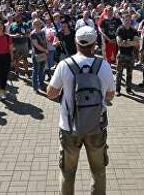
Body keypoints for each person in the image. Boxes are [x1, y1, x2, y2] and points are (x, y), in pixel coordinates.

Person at [46, 26, 115, 195]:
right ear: (94, 45)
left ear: (76, 43)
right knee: (98, 172)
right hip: (96, 126)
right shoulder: (103, 65)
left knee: (68, 173)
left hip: (70, 127)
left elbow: (50, 93)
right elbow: (110, 95)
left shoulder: (65, 65)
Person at [115, 12, 140, 95]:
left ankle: (128, 89)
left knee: (129, 73)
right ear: (123, 20)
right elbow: (119, 43)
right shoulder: (120, 29)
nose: (127, 22)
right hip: (121, 54)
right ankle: (117, 90)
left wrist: (125, 42)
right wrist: (130, 42)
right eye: (126, 20)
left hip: (130, 54)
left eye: (129, 20)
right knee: (119, 73)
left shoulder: (134, 30)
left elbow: (137, 43)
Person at [30, 19, 49, 93]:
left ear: (41, 24)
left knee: (42, 70)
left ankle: (41, 85)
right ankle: (35, 88)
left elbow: (45, 42)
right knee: (36, 71)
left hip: (44, 53)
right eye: (36, 24)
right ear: (33, 25)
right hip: (36, 55)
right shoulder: (33, 34)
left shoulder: (42, 32)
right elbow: (36, 45)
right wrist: (45, 50)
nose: (38, 25)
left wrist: (46, 50)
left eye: (39, 24)